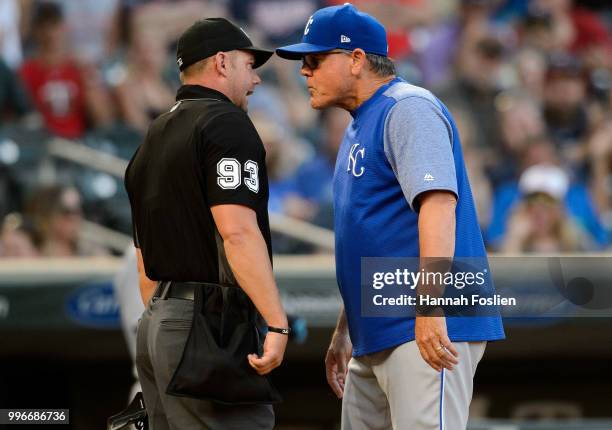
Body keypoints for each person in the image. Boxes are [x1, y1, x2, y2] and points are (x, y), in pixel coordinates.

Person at [276, 4, 505, 429]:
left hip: (425, 323)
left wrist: (430, 309)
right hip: (379, 329)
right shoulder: (361, 122)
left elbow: (439, 205)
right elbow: (368, 234)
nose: (304, 71)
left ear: (357, 59)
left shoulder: (408, 107)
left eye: (315, 60)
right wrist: (347, 328)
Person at [124, 17, 289, 429]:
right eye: (250, 66)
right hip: (207, 325)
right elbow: (237, 231)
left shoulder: (154, 134)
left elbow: (144, 259)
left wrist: (166, 325)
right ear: (221, 63)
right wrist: (277, 321)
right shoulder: (226, 123)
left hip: (159, 321)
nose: (255, 80)